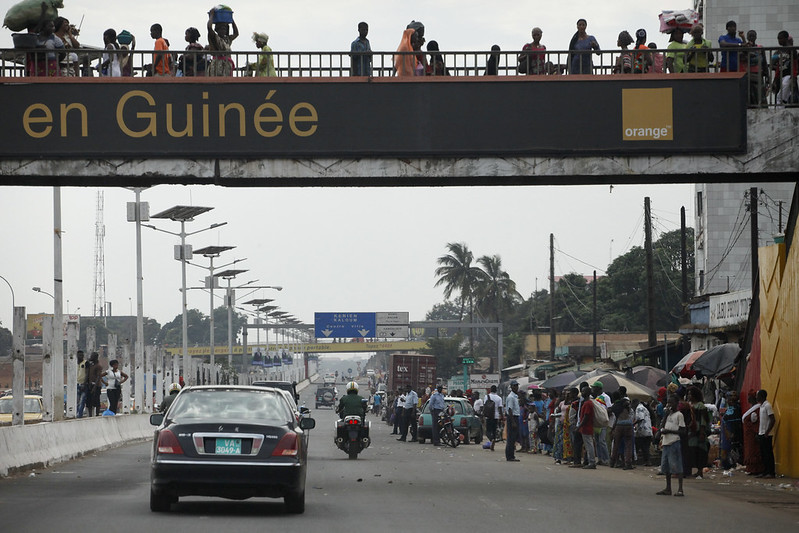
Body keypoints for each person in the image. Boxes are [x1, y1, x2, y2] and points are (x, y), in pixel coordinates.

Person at [656, 394, 686, 496]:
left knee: (677, 465)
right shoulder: (668, 415)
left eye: (671, 403)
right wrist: (665, 415)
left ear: (676, 404)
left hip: (674, 442)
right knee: (666, 466)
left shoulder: (679, 415)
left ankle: (680, 489)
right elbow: (662, 426)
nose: (669, 405)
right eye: (668, 403)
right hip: (666, 442)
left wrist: (669, 431)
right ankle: (668, 488)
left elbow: (682, 431)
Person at [687, 386, 710, 479]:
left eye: (690, 394)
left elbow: (703, 420)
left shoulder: (700, 406)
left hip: (698, 431)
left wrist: (701, 432)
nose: (688, 396)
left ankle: (700, 471)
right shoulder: (689, 405)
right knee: (692, 451)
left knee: (700, 451)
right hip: (691, 431)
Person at [207, 9, 239, 76]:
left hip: (227, 66)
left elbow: (236, 33)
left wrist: (231, 19)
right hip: (217, 66)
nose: (223, 30)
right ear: (217, 29)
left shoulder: (227, 39)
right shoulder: (215, 38)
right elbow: (209, 27)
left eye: (224, 28)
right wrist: (211, 16)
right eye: (221, 28)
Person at [772, 31, 798, 107]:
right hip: (780, 75)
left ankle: (784, 102)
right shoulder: (779, 51)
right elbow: (778, 66)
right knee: (779, 95)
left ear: (786, 39)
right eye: (778, 39)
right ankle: (780, 107)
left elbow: (795, 63)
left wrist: (794, 75)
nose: (779, 41)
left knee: (785, 86)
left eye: (780, 39)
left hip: (789, 74)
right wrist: (774, 80)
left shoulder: (791, 49)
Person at [742, 30, 769, 106]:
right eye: (750, 36)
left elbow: (764, 63)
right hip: (748, 75)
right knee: (750, 97)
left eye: (753, 36)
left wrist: (767, 76)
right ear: (747, 37)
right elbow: (742, 58)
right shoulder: (744, 49)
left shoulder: (760, 48)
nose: (751, 38)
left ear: (756, 37)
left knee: (760, 96)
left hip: (758, 75)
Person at [609, 390, 634, 469]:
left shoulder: (614, 406)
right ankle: (628, 463)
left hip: (619, 425)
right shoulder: (625, 402)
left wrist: (613, 429)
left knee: (616, 444)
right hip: (628, 425)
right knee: (628, 444)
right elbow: (630, 408)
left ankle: (612, 462)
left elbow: (614, 418)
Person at [741, 390, 763, 475]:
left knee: (753, 450)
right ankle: (750, 468)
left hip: (753, 434)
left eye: (749, 397)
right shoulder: (753, 408)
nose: (748, 399)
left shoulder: (757, 409)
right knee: (750, 450)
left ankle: (756, 469)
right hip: (748, 434)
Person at [719, 390, 743, 469]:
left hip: (730, 431)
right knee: (726, 447)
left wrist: (729, 433)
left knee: (729, 448)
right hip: (726, 431)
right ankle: (726, 463)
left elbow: (734, 421)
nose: (728, 401)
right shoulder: (731, 408)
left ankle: (728, 464)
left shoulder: (736, 409)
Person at [756, 389, 776, 478]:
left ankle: (771, 472)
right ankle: (765, 471)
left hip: (766, 434)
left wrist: (767, 432)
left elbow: (772, 419)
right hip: (761, 433)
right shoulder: (761, 406)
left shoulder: (767, 406)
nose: (756, 397)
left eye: (757, 395)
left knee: (768, 453)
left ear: (762, 396)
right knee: (763, 453)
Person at [591, 381, 611, 465]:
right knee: (597, 441)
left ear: (598, 388)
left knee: (602, 441)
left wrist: (604, 416)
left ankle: (606, 459)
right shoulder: (594, 398)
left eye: (594, 387)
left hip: (602, 422)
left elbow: (609, 408)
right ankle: (600, 458)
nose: (592, 389)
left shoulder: (605, 397)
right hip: (596, 422)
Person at [576, 386, 596, 469]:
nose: (582, 393)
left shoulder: (588, 403)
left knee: (589, 445)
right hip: (586, 427)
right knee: (587, 445)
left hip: (586, 427)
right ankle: (588, 461)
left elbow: (586, 416)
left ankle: (592, 462)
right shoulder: (587, 402)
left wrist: (580, 425)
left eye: (583, 391)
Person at [632, 398, 654, 466]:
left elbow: (640, 418)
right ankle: (646, 461)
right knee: (644, 447)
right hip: (646, 430)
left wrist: (632, 424)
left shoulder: (639, 408)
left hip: (643, 431)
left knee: (641, 446)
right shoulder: (643, 408)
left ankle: (637, 460)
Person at [505, 380, 521, 461]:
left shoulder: (515, 396)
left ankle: (511, 455)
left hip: (515, 417)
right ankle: (510, 456)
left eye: (517, 385)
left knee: (513, 438)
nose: (516, 387)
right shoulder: (511, 397)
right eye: (514, 386)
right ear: (511, 387)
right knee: (511, 438)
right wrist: (513, 422)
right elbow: (510, 409)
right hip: (512, 417)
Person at [484, 385, 503, 450]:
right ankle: (493, 441)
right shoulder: (499, 398)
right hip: (496, 416)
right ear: (496, 390)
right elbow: (500, 408)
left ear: (490, 390)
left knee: (488, 431)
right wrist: (502, 416)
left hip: (489, 416)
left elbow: (485, 406)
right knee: (494, 430)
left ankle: (491, 439)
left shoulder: (487, 396)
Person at [86, 352, 104, 417]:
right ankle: (90, 415)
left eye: (92, 356)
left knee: (96, 400)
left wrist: (94, 387)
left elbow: (98, 377)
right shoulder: (91, 365)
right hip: (90, 385)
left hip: (96, 386)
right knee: (89, 401)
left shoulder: (98, 366)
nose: (91, 357)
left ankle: (97, 414)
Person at [76, 350, 88, 417]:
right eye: (79, 355)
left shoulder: (85, 363)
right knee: (77, 401)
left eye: (82, 355)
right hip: (77, 384)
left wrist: (84, 383)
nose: (81, 357)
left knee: (82, 401)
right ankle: (76, 413)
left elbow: (87, 374)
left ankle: (79, 414)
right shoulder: (75, 363)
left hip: (83, 384)